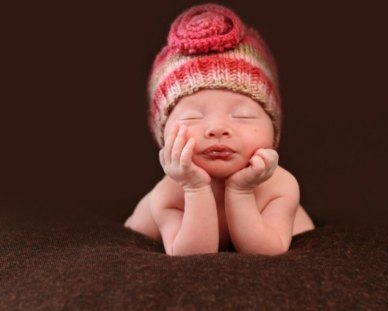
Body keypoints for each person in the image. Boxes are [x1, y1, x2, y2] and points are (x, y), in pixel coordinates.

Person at [125, 3, 314, 256]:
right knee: (142, 219)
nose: (217, 129)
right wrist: (194, 188)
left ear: (273, 129)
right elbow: (191, 255)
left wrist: (242, 191)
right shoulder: (169, 194)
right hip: (156, 219)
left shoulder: (280, 186)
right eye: (192, 117)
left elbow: (268, 251)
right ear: (163, 136)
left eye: (243, 116)